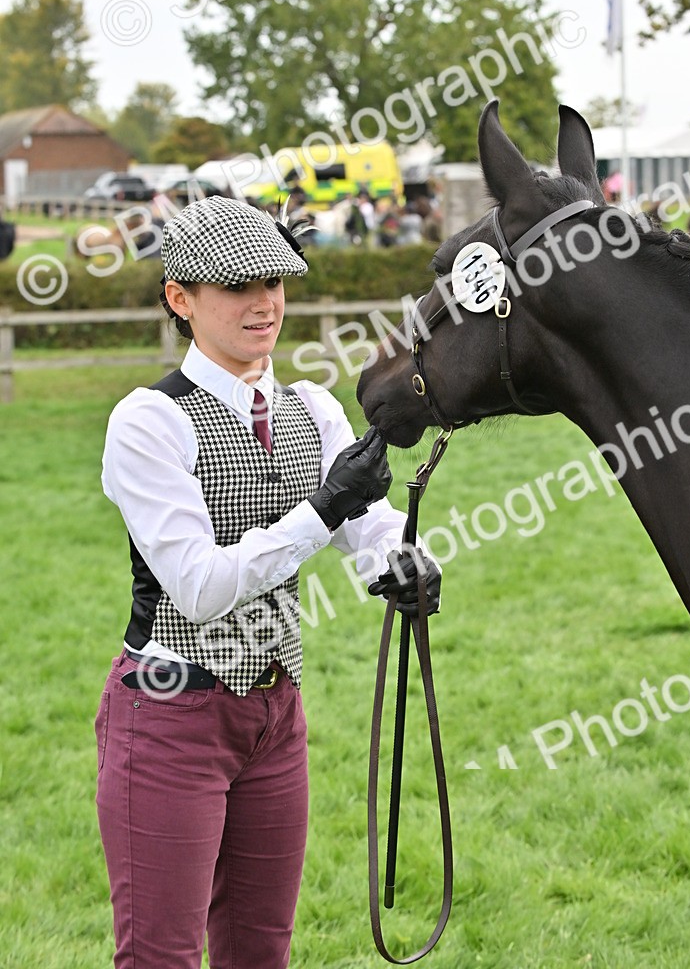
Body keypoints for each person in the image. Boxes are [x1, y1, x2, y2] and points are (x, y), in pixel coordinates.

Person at [95, 195, 440, 969]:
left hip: (275, 717)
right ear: (180, 299)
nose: (265, 302)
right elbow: (201, 588)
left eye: (276, 281)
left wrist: (406, 562)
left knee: (260, 952)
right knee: (162, 957)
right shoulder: (149, 421)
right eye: (238, 285)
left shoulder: (310, 406)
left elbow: (370, 525)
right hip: (167, 716)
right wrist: (322, 510)